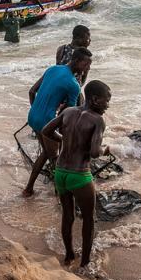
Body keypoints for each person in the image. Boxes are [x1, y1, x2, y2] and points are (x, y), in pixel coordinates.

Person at [41, 80, 111, 268]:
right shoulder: (97, 120)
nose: (108, 105)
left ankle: (69, 255)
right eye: (107, 100)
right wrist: (106, 151)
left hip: (60, 173)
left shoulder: (68, 111)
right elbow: (95, 152)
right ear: (95, 99)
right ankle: (85, 263)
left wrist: (65, 140)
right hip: (79, 175)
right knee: (89, 220)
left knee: (67, 215)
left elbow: (46, 130)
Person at [22, 47, 92, 197]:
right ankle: (61, 194)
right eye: (86, 65)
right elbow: (69, 114)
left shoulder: (53, 69)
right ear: (77, 61)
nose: (87, 69)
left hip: (32, 116)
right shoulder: (73, 85)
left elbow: (32, 91)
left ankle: (29, 189)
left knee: (47, 153)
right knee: (58, 154)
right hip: (46, 122)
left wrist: (37, 110)